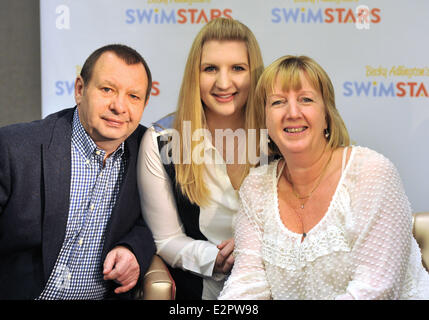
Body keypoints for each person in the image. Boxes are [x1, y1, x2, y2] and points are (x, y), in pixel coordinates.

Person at [219, 55, 429, 299]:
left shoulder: (371, 172)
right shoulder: (255, 187)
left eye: (306, 99)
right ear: (264, 118)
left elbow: (376, 289)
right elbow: (247, 284)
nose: (292, 112)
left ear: (327, 114)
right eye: (278, 103)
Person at [0, 44, 156, 300]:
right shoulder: (14, 149)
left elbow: (161, 222)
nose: (119, 106)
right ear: (80, 89)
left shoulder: (151, 151)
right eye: (107, 89)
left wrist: (134, 249)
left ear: (145, 103)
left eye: (133, 96)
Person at [137, 18, 265, 300]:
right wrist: (217, 259)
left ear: (254, 74)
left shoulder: (280, 136)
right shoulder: (162, 140)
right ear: (195, 75)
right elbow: (165, 239)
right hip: (200, 293)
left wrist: (256, 249)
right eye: (210, 69)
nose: (223, 82)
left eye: (238, 68)